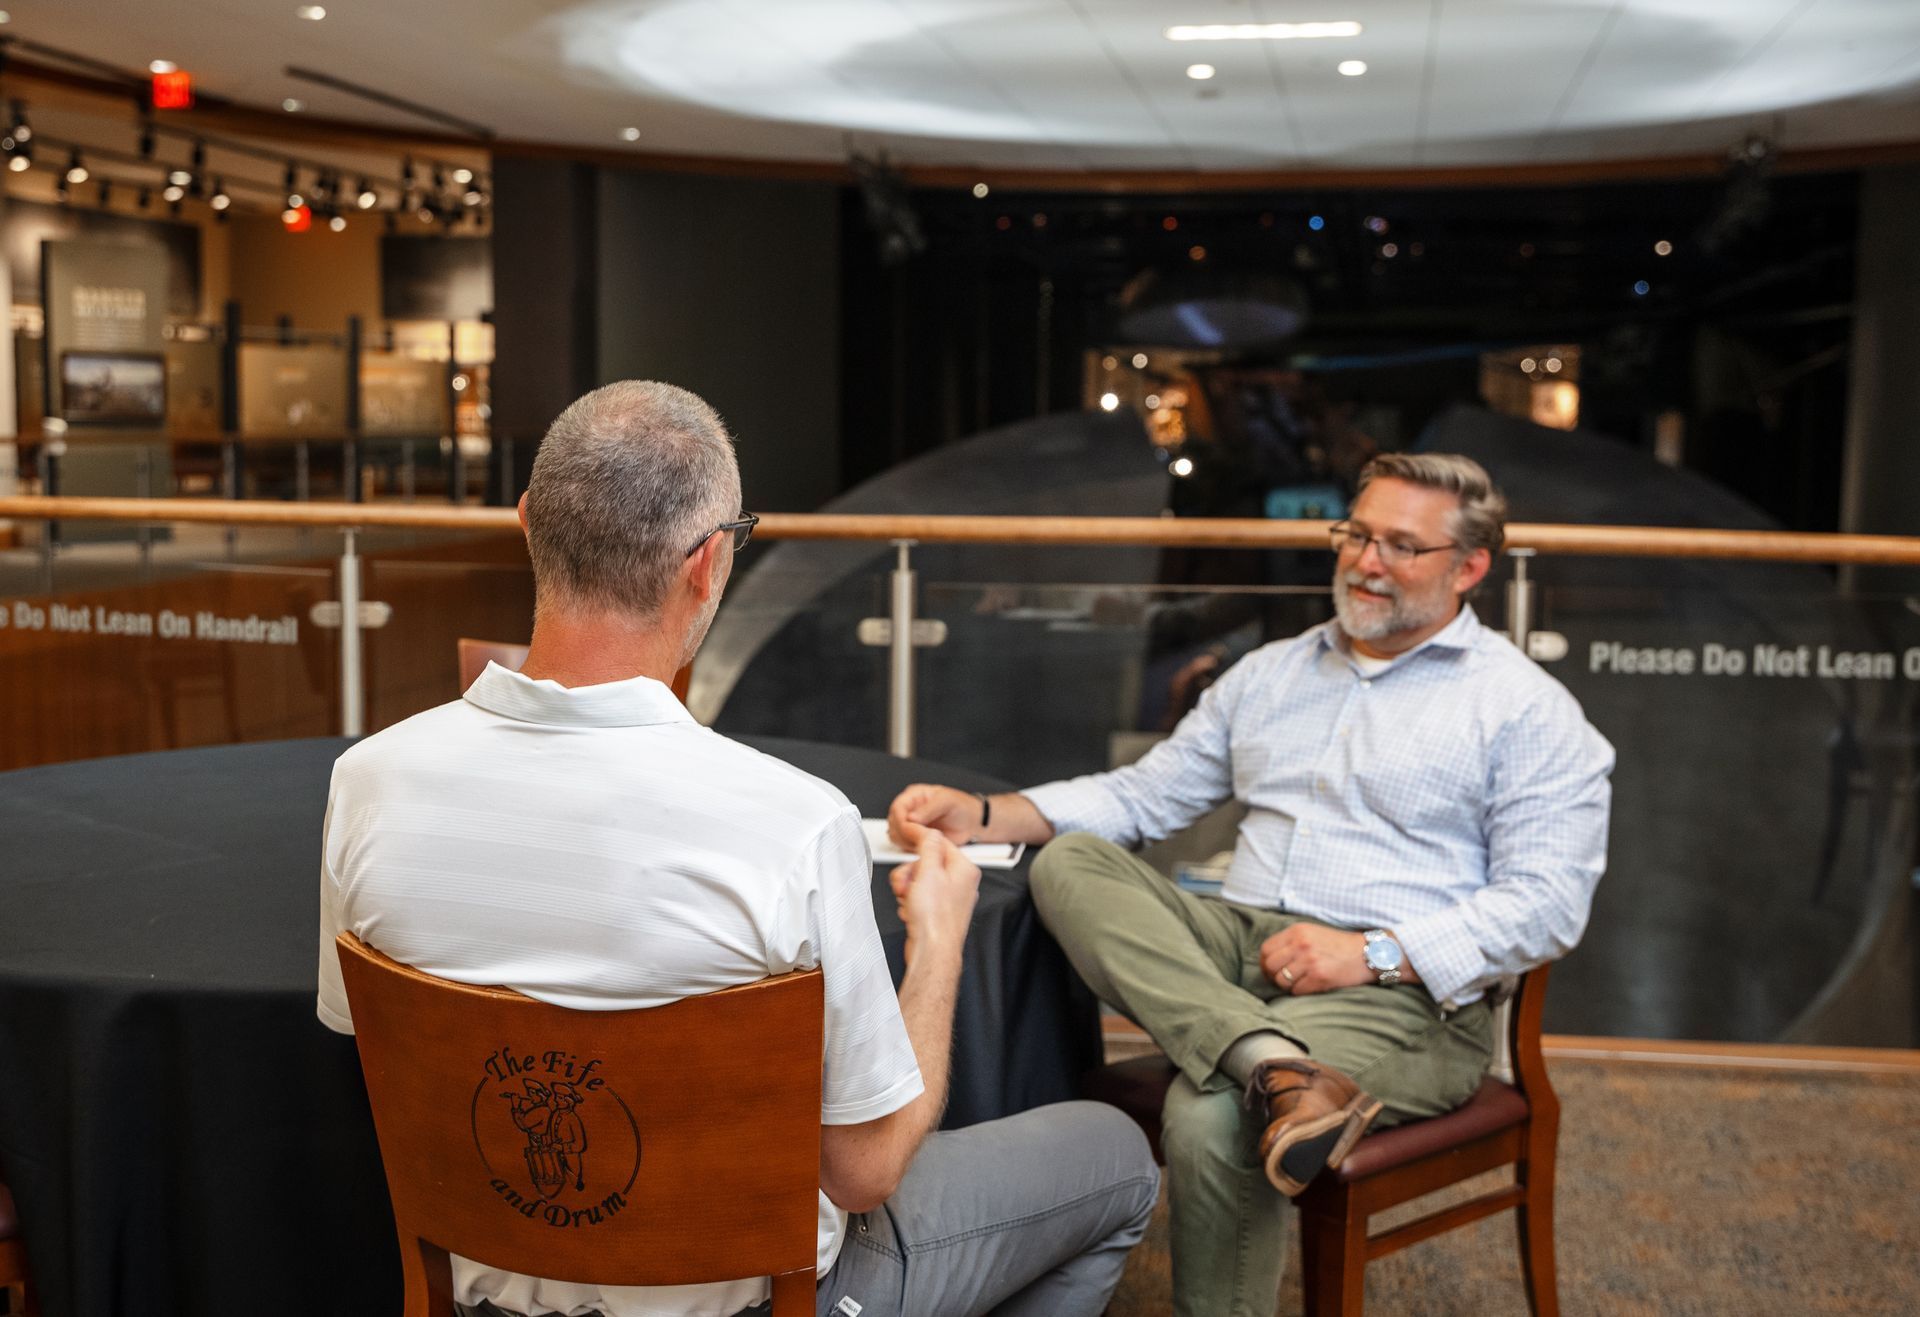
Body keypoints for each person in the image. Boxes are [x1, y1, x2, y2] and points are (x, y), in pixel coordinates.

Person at [316, 381, 1158, 1317]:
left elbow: (366, 1045)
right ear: (708, 562)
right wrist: (941, 940)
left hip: (483, 1297)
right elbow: (865, 1169)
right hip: (756, 1301)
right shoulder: (793, 823)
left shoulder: (369, 780)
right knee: (1118, 1159)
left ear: (526, 524)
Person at [888, 451, 1613, 1317]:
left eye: (1401, 545)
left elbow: (1548, 901)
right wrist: (985, 812)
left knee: (1214, 1116)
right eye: (1357, 534)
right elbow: (1146, 795)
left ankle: (1252, 1071)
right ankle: (1269, 1059)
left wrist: (1372, 953)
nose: (1367, 561)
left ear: (1469, 568)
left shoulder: (1526, 709)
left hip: (1405, 996)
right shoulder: (1273, 671)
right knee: (1072, 862)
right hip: (1241, 946)